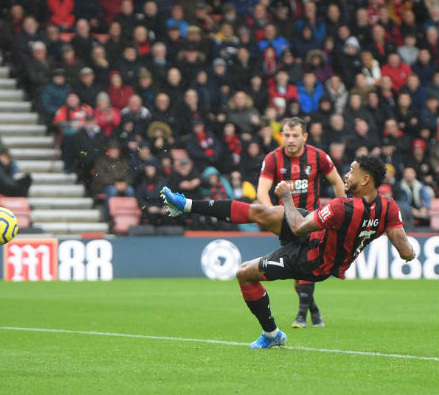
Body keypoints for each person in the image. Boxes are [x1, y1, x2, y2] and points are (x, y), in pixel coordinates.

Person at [162, 155, 415, 348]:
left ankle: (272, 335)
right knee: (260, 212)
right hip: (317, 236)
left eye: (351, 171)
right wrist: (383, 237)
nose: (346, 176)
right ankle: (185, 205)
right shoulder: (389, 208)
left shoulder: (341, 207)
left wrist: (286, 196)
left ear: (366, 180)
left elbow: (297, 226)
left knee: (244, 273)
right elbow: (406, 252)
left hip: (313, 261)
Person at [256, 117, 346, 329]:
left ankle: (301, 315)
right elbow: (262, 190)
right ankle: (314, 309)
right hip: (286, 223)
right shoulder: (272, 159)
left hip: (311, 221)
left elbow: (337, 182)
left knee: (308, 265)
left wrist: (341, 211)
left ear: (305, 136)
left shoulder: (318, 156)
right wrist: (272, 214)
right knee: (297, 272)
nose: (290, 140)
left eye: (295, 135)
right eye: (286, 135)